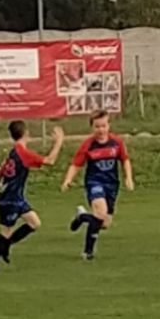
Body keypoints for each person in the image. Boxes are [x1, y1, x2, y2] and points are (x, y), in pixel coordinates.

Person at [0, 122, 64, 273]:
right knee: (6, 231)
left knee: (34, 223)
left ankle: (6, 245)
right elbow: (50, 161)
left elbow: (1, 172)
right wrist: (58, 142)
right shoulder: (22, 154)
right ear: (26, 133)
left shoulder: (13, 152)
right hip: (11, 199)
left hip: (16, 198)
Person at [61, 110, 134, 261]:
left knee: (104, 223)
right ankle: (88, 252)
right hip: (95, 182)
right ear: (92, 127)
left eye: (103, 126)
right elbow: (76, 164)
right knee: (100, 213)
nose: (100, 130)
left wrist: (128, 178)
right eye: (97, 127)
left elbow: (125, 160)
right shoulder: (88, 145)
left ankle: (82, 216)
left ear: (109, 126)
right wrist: (68, 179)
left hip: (111, 185)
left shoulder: (117, 142)